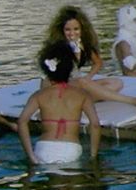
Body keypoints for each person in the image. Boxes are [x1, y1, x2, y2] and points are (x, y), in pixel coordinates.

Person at [18, 40, 99, 168]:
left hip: (43, 149)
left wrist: (31, 155)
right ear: (70, 68)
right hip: (71, 149)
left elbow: (22, 122)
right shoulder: (82, 95)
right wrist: (93, 156)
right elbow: (94, 125)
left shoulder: (39, 95)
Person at [48, 7, 136, 106]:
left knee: (116, 83)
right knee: (82, 82)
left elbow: (98, 62)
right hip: (59, 86)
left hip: (77, 85)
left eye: (76, 29)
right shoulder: (57, 46)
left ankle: (83, 99)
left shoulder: (83, 45)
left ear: (82, 29)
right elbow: (55, 74)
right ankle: (129, 100)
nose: (72, 33)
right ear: (61, 30)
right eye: (68, 30)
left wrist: (89, 77)